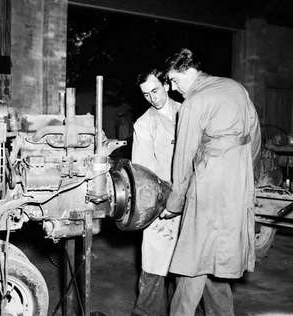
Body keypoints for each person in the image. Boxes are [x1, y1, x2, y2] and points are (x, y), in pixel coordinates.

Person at [160, 48, 261, 316]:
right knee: (219, 265)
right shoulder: (236, 88)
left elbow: (183, 158)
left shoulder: (194, 102)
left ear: (188, 72)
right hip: (238, 184)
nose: (171, 87)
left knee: (191, 266)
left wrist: (175, 202)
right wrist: (245, 176)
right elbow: (255, 138)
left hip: (209, 188)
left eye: (173, 80)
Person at [131, 68, 181, 316]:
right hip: (162, 206)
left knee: (188, 271)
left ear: (167, 85)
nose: (152, 97)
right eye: (146, 94)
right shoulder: (144, 124)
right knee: (155, 268)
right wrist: (160, 206)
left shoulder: (187, 112)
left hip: (193, 201)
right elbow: (144, 176)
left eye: (155, 90)